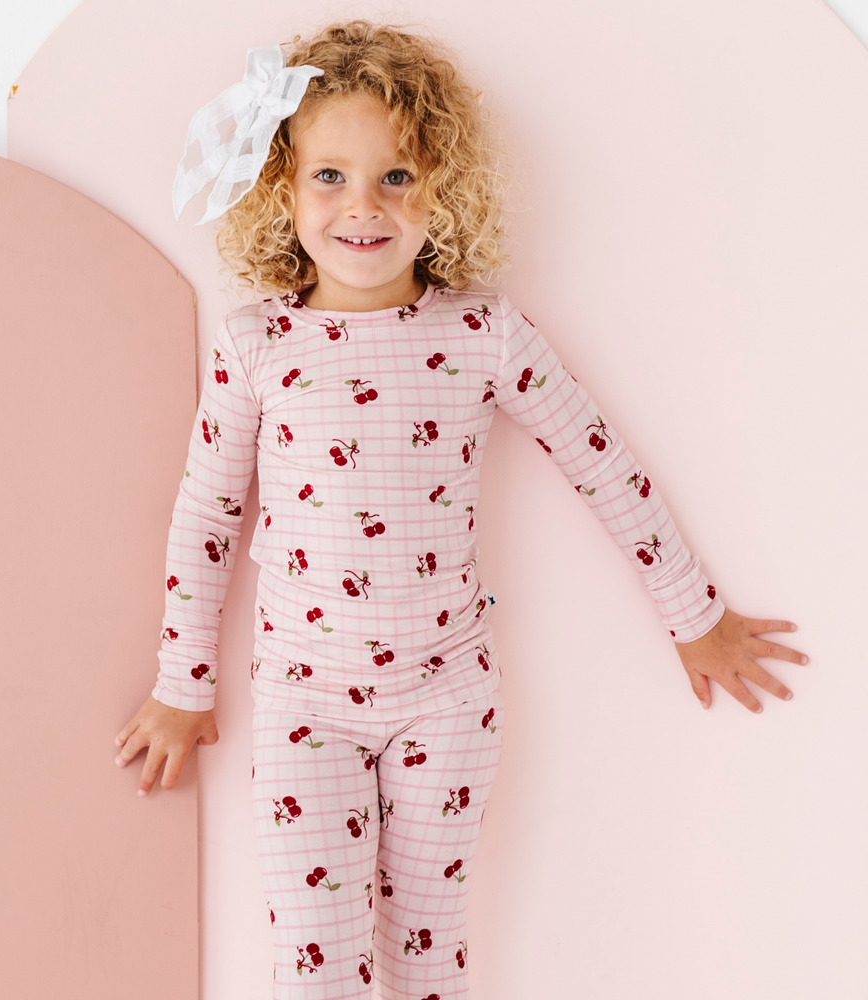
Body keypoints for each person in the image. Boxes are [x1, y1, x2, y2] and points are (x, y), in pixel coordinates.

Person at [114, 19, 807, 999]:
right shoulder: (255, 344)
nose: (364, 206)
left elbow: (601, 464)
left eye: (396, 176)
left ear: (440, 189)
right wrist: (183, 683)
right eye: (330, 177)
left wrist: (694, 616)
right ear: (282, 186)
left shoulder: (483, 333)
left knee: (428, 960)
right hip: (304, 704)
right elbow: (208, 514)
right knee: (314, 969)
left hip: (447, 696)